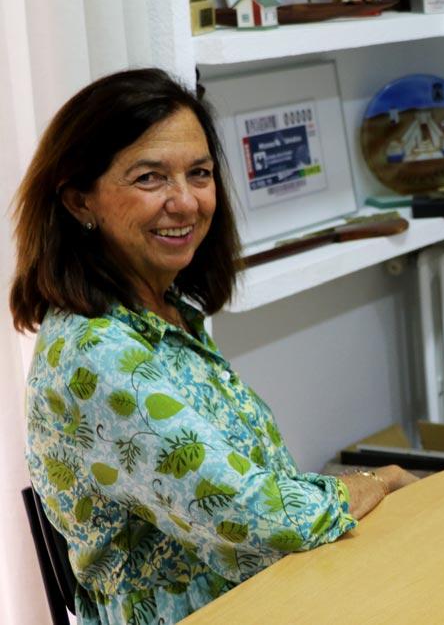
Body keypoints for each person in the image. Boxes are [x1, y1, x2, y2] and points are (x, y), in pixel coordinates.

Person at [10, 69, 418, 623]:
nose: (186, 202)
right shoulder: (97, 355)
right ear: (81, 201)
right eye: (150, 178)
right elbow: (261, 519)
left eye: (199, 174)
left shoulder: (163, 311)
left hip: (273, 597)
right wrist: (379, 479)